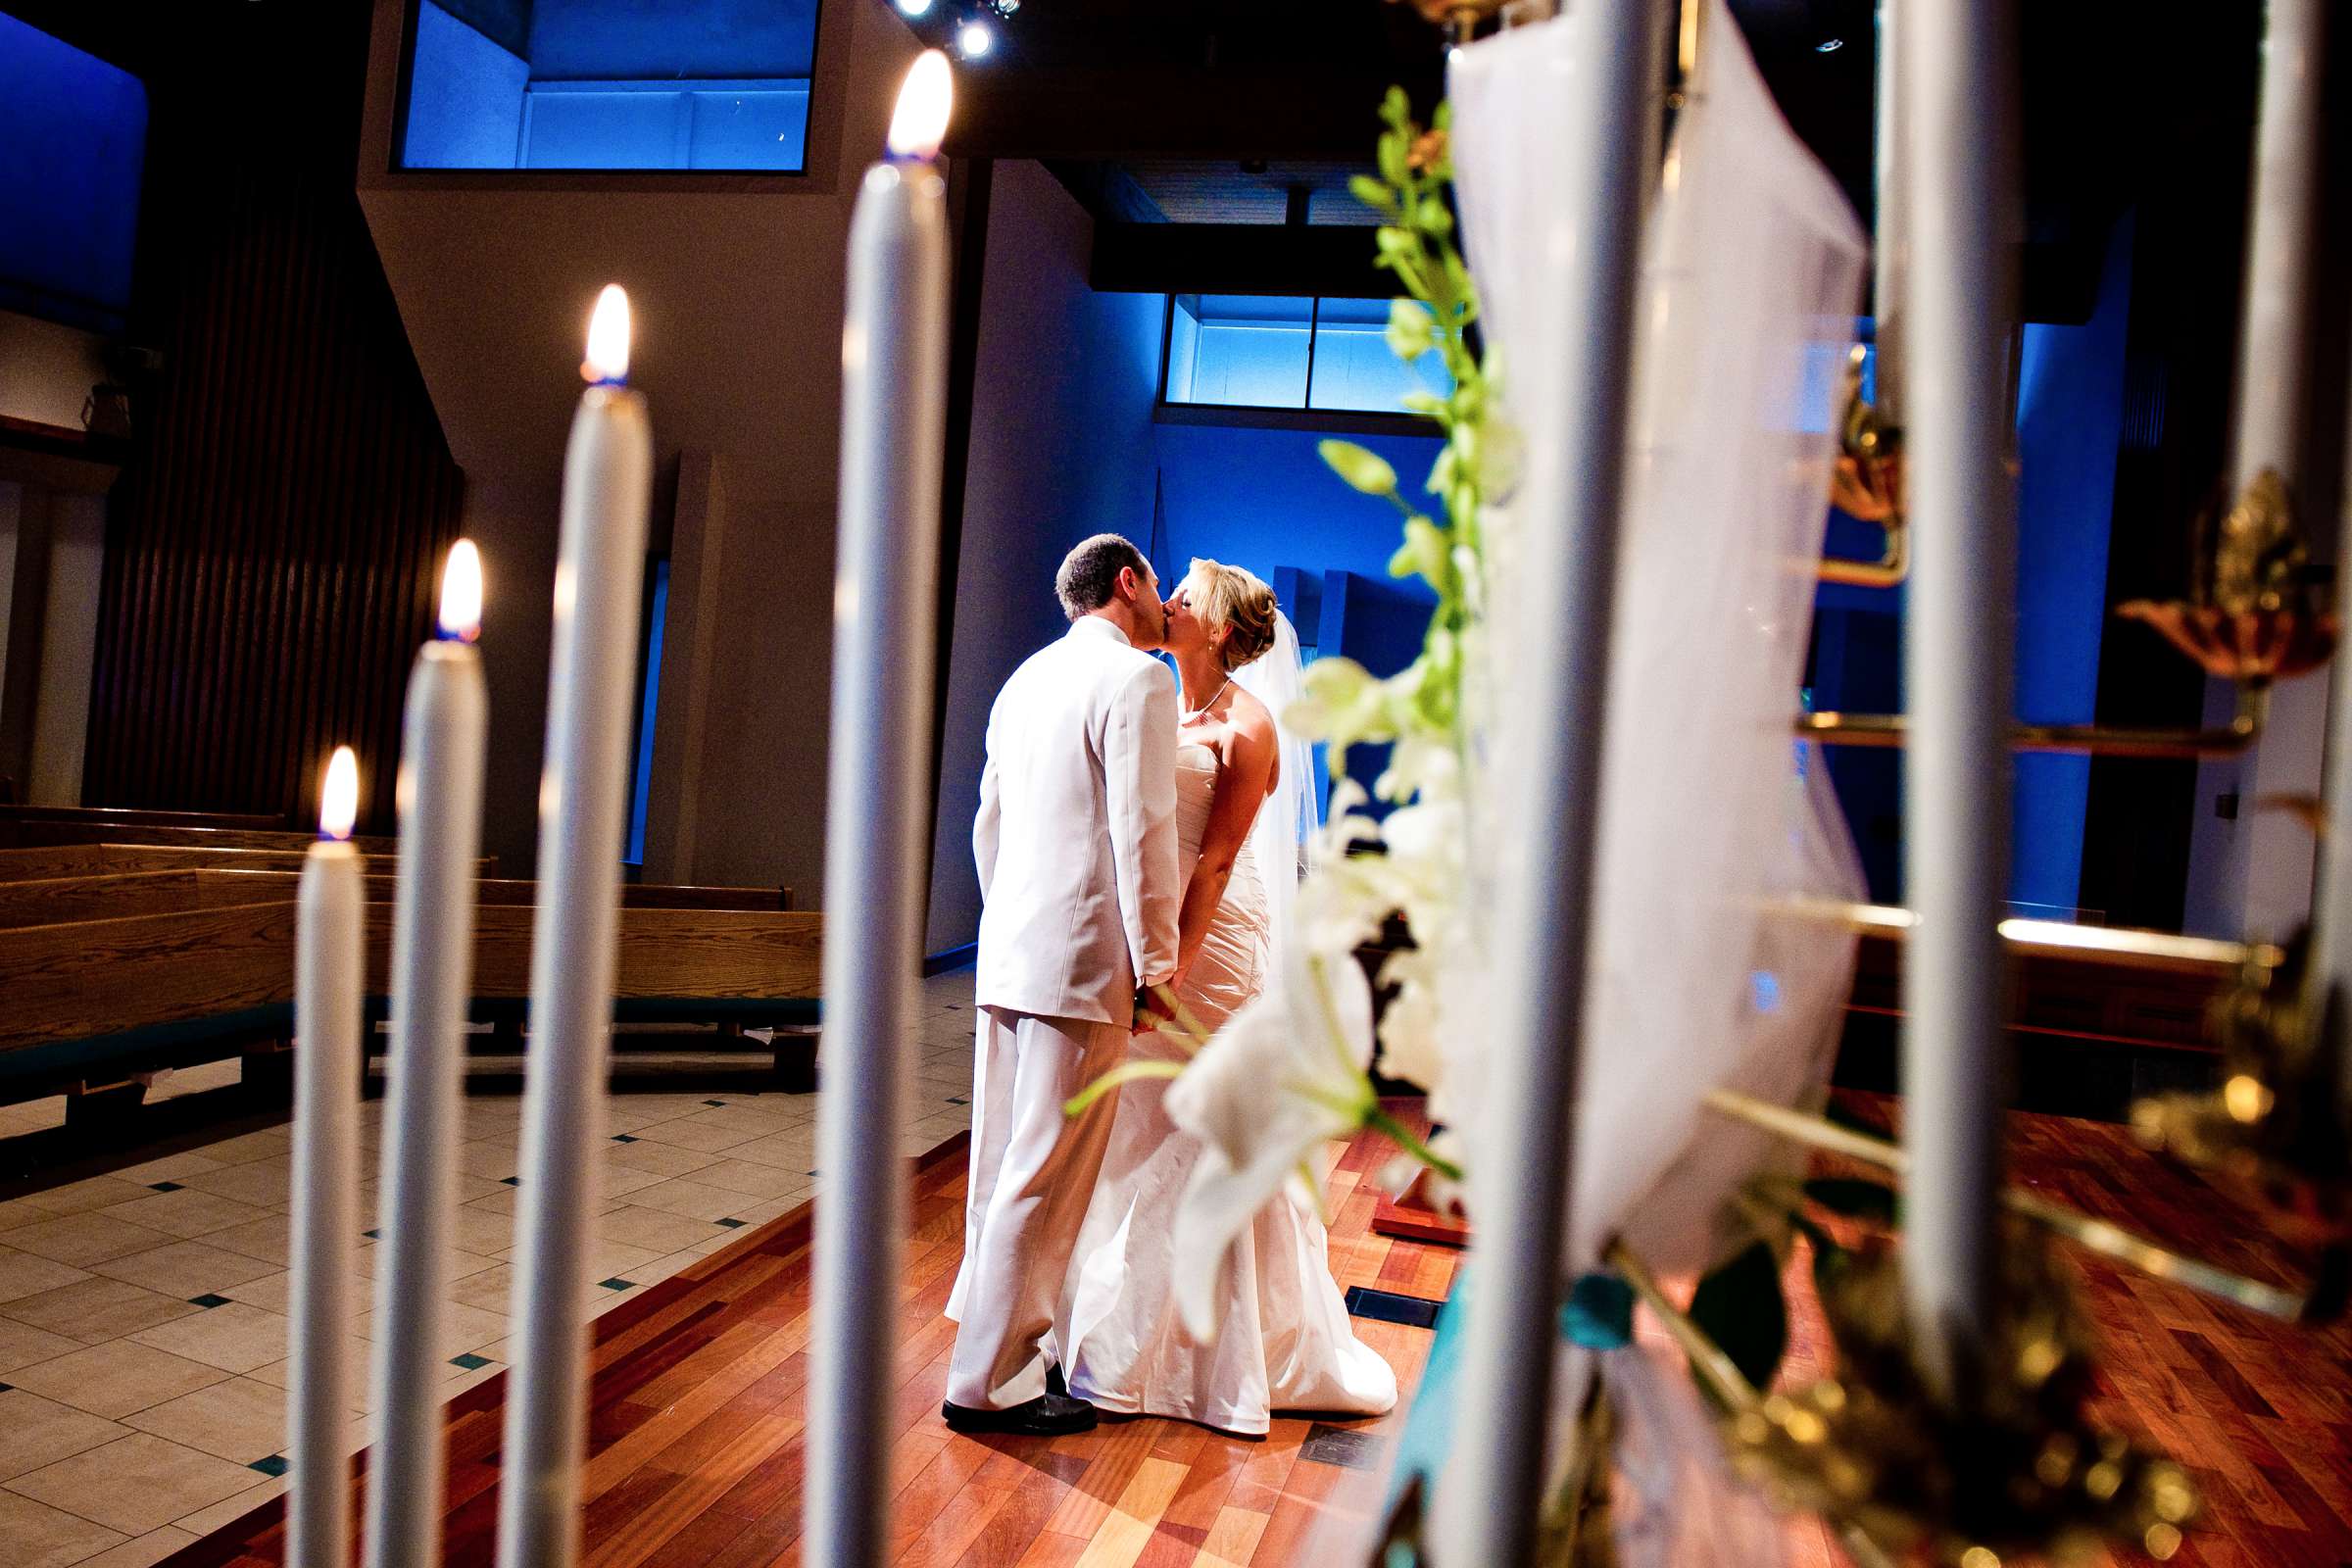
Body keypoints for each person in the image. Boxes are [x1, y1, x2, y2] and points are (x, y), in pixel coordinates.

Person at [1057, 559, 1397, 1436]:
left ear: (1215, 628)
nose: (1167, 603)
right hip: (1161, 929)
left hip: (1215, 938)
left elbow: (1215, 858)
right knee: (1144, 1126)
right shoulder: (1161, 703)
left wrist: (1167, 967)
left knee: (1201, 1132)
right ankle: (1133, 1338)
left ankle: (1213, 1351)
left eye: (1186, 598)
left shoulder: (1250, 724)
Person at [942, 533, 1184, 1437]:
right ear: (1129, 582)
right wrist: (1154, 965)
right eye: (1158, 585)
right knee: (1043, 1178)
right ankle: (989, 1384)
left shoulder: (1024, 680)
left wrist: (1003, 928)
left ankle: (996, 1357)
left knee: (1003, 1165)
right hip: (1082, 961)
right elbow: (1143, 833)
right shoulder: (1137, 680)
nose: (1164, 603)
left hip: (1010, 950)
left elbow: (987, 824)